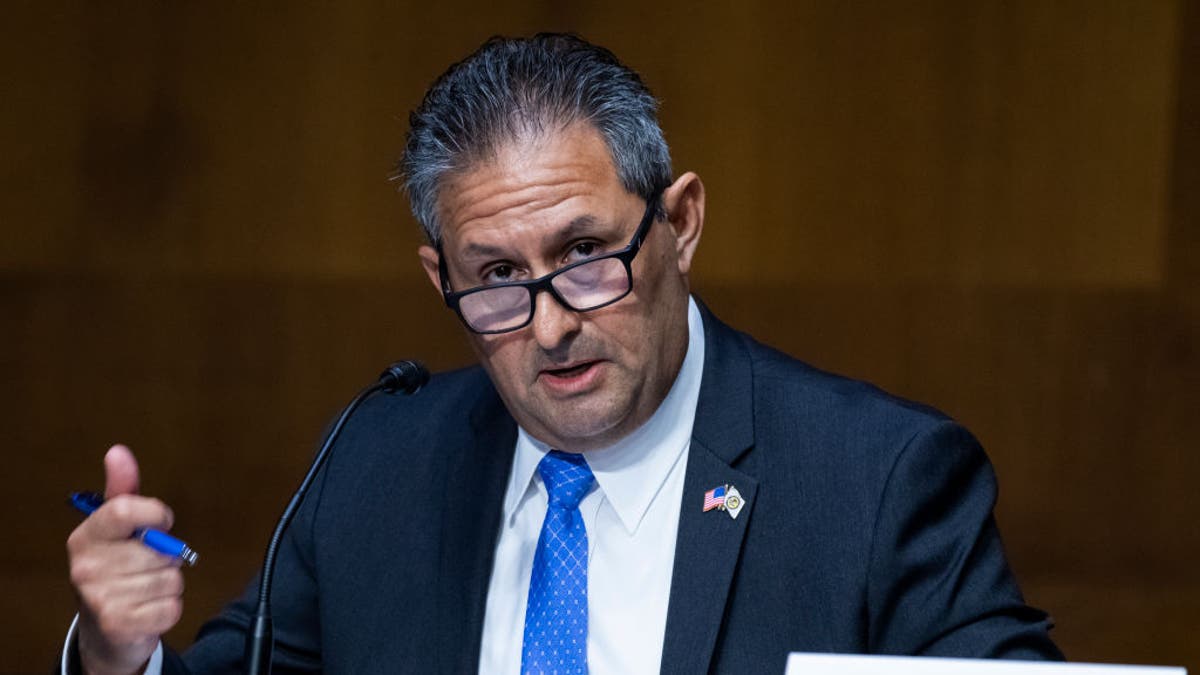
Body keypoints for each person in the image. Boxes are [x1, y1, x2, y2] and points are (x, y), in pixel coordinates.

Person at [63, 33, 1062, 674]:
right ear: (436, 277)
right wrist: (120, 653)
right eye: (495, 276)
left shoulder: (874, 482)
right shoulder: (380, 464)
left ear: (681, 223)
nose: (548, 326)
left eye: (586, 257)